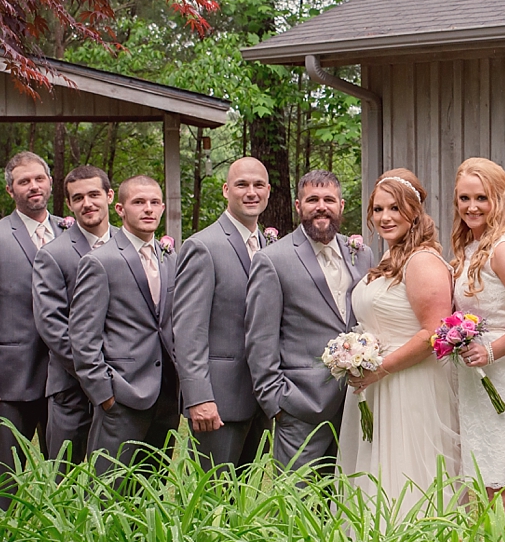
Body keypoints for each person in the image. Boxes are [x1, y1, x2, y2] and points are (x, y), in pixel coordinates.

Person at [340, 169, 460, 512]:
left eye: (394, 208)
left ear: (414, 211)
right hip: (377, 383)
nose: (385, 217)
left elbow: (433, 333)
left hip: (409, 384)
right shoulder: (388, 257)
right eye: (378, 209)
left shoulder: (422, 261)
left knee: (406, 477)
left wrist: (379, 369)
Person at [244, 171, 374, 476]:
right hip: (300, 405)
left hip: (357, 402)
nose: (321, 206)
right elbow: (259, 338)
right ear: (298, 206)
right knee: (299, 505)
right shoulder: (272, 259)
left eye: (329, 199)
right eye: (312, 200)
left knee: (350, 499)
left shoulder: (362, 255)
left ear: (341, 205)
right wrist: (276, 402)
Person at [0, 151, 61, 509]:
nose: (33, 187)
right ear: (10, 190)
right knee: (8, 479)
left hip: (64, 378)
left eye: (39, 179)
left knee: (66, 472)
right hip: (10, 380)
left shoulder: (70, 232)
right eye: (24, 181)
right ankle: (5, 540)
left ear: (50, 182)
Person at [69, 175, 180, 480]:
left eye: (155, 202)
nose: (148, 209)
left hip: (167, 393)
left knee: (152, 487)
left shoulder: (169, 257)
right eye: (139, 202)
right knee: (109, 489)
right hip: (122, 395)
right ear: (119, 208)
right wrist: (104, 393)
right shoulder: (100, 262)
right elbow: (83, 336)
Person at [449, 157, 505, 516]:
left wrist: (492, 351)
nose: (472, 207)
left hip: (501, 372)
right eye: (464, 198)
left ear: (498, 199)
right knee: (480, 476)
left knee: (500, 480)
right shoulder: (471, 245)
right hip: (474, 374)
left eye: (481, 198)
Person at [173, 157, 273, 474]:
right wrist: (199, 397)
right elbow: (188, 331)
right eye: (242, 185)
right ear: (226, 190)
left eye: (258, 185)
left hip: (264, 398)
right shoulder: (203, 246)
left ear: (268, 191)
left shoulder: (272, 245)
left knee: (243, 500)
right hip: (219, 402)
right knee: (213, 499)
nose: (251, 192)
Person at [32, 165, 117, 469]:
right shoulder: (53, 254)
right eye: (78, 198)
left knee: (117, 476)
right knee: (64, 476)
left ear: (109, 196)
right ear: (69, 204)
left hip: (124, 383)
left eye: (94, 194)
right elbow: (50, 324)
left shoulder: (129, 245)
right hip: (72, 384)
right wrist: (93, 371)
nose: (88, 203)